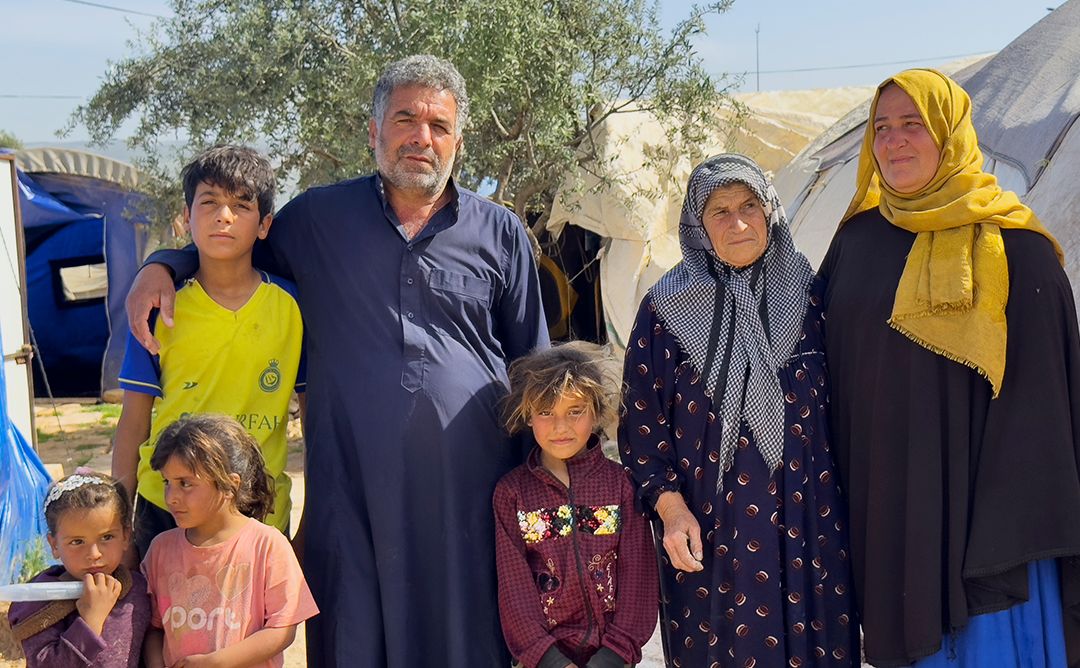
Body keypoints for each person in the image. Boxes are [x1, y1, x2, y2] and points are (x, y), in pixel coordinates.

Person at [124, 55, 549, 666]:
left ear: (459, 139)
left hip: (470, 487)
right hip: (350, 486)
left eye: (438, 125)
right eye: (405, 119)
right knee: (354, 631)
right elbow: (232, 243)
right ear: (373, 131)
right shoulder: (317, 220)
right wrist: (161, 265)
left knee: (470, 631)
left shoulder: (500, 231)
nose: (421, 137)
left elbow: (531, 365)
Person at [818, 68, 1080, 667]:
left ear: (952, 132)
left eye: (914, 124)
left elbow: (1048, 405)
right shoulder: (856, 243)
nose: (894, 141)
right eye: (881, 127)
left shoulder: (1018, 249)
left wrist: (999, 508)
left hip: (992, 519)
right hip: (892, 506)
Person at [620, 153, 859, 666]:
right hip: (710, 529)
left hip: (811, 522)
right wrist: (670, 508)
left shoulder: (814, 296)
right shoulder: (664, 309)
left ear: (770, 210)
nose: (739, 222)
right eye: (720, 211)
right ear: (697, 226)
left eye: (750, 205)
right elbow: (640, 425)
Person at [112, 145, 305, 560]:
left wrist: (313, 518)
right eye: (210, 202)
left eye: (241, 205)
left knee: (259, 625)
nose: (224, 216)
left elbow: (314, 420)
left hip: (260, 509)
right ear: (186, 217)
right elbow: (133, 420)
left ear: (264, 224)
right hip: (165, 507)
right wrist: (119, 522)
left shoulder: (294, 308)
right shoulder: (158, 306)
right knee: (165, 625)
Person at [493, 341, 658, 668]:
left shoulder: (621, 487)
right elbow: (514, 590)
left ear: (596, 411)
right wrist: (550, 659)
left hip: (613, 658)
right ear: (528, 415)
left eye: (575, 411)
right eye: (545, 412)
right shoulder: (512, 494)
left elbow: (638, 578)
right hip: (543, 660)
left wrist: (614, 654)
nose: (560, 427)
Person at [141, 414, 317, 668]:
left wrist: (216, 662)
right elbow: (153, 628)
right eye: (167, 482)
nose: (171, 497)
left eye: (186, 484)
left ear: (230, 485)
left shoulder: (267, 545)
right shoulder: (160, 549)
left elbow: (282, 629)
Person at [8, 470, 150, 668]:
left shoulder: (139, 590)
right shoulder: (40, 603)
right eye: (77, 541)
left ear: (126, 536)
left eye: (107, 537)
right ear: (54, 545)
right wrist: (91, 620)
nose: (94, 554)